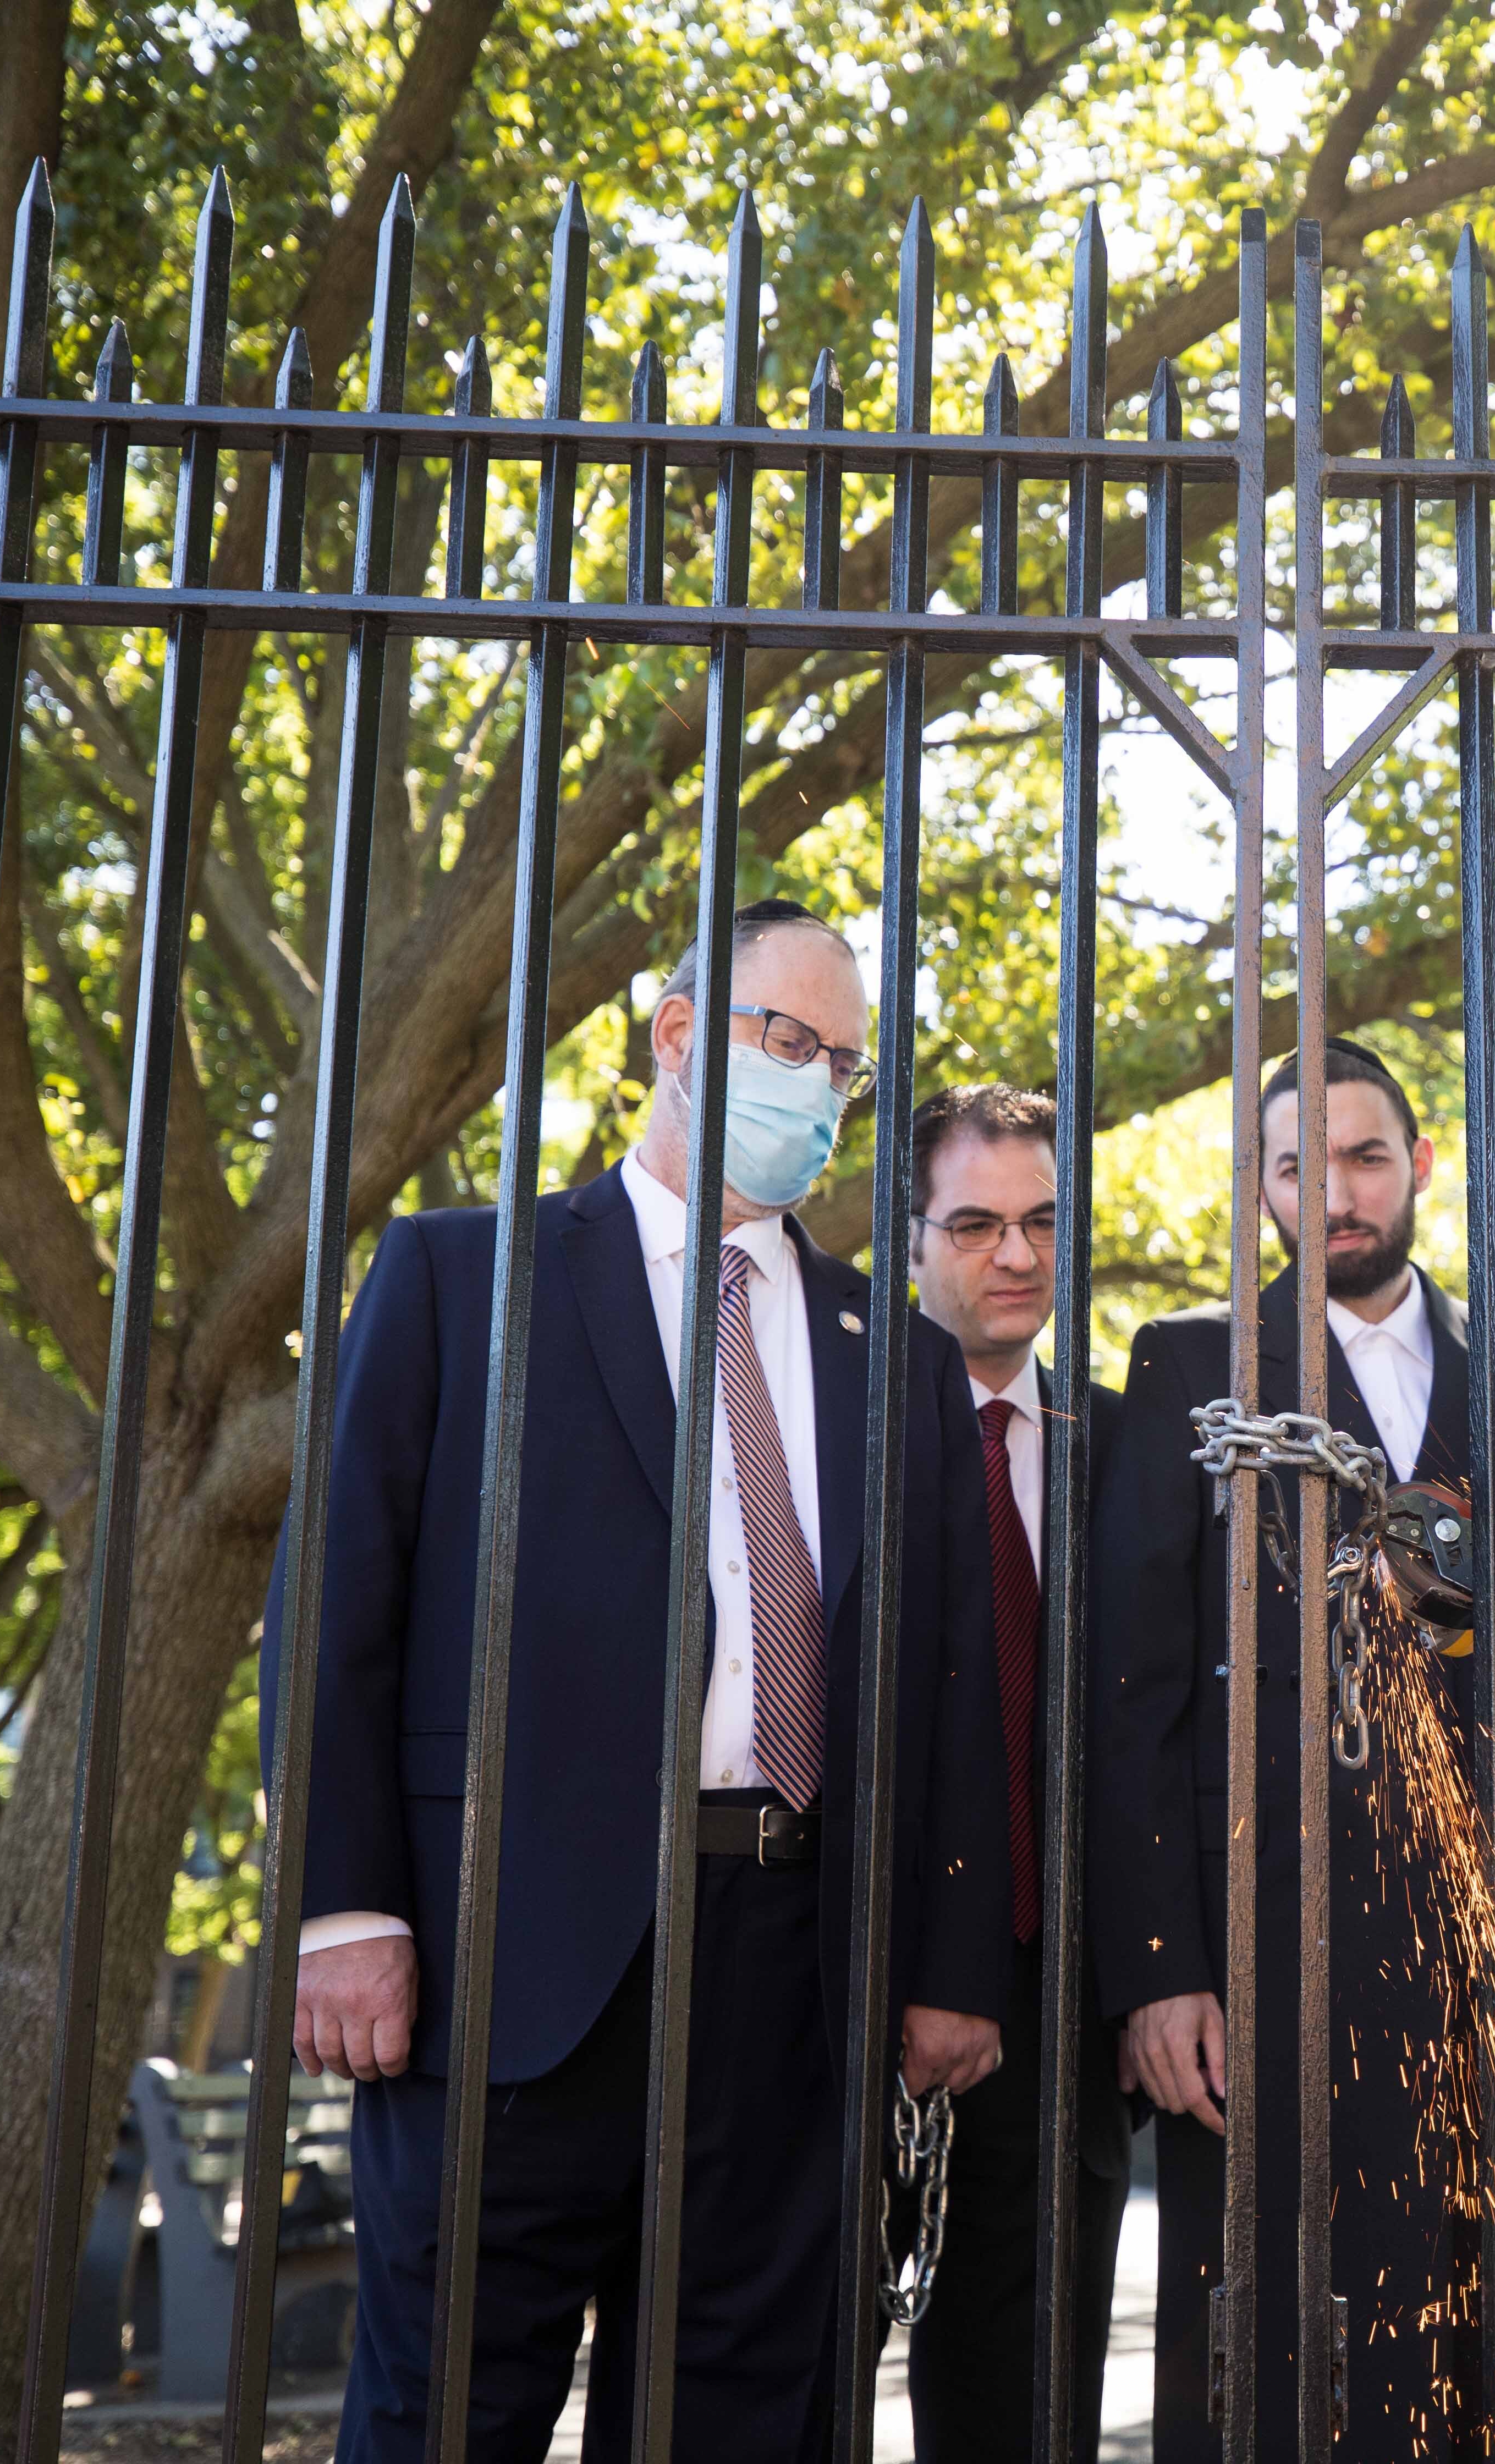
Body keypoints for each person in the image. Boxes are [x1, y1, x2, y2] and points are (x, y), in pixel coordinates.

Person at [278, 897, 1015, 2464]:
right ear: (678, 1037)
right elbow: (337, 1609)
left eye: (846, 1064)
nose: (818, 1086)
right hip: (510, 1977)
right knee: (444, 2420)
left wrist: (947, 1959)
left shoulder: (895, 1348)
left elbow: (950, 1682)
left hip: (793, 1982)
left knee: (742, 2428)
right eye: (787, 1041)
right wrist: (345, 1911)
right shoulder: (457, 1278)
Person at [1087, 1036, 1495, 2464]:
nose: (1340, 1194)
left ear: (1421, 1166)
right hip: (1257, 1955)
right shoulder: (1188, 1365)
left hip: (1491, 1950)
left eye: (1368, 1157)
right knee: (1256, 2342)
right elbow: (1136, 1697)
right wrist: (1160, 1968)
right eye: (1304, 1166)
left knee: (1489, 2337)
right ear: (1265, 1188)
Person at [899, 1082, 1134, 2464]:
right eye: (978, 1222)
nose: (1018, 1255)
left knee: (1028, 2408)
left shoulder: (1126, 1448)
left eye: (1045, 1221)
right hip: (851, 1997)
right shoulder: (833, 1430)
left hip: (1064, 2024)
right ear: (914, 1234)